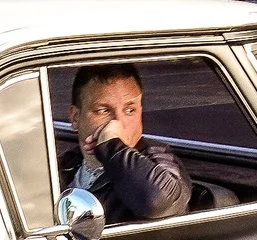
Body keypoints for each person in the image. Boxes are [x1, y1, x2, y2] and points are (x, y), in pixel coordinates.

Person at [57, 64, 189, 222]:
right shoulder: (66, 164)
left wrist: (113, 146)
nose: (118, 123)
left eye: (129, 110)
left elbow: (156, 201)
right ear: (75, 117)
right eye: (103, 110)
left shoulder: (158, 159)